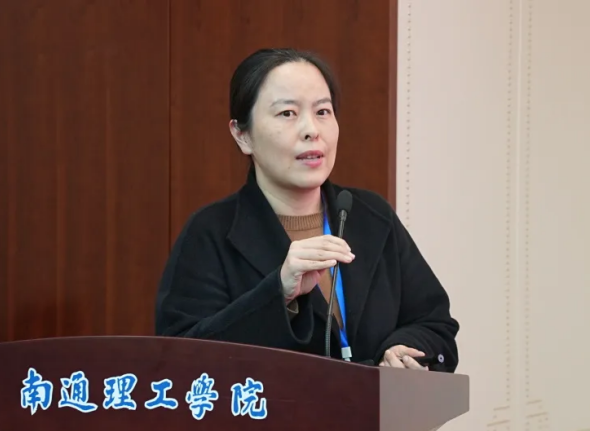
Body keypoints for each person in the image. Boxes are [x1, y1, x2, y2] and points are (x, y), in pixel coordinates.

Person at [155, 48, 459, 372]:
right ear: (242, 135)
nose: (311, 130)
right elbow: (180, 362)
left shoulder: (370, 216)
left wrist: (400, 351)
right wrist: (279, 293)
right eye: (287, 113)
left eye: (323, 111)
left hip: (374, 405)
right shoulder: (210, 233)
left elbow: (435, 325)